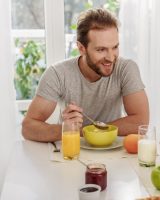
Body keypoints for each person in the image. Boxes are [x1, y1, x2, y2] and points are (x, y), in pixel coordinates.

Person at [22, 8, 149, 142]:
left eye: (115, 47)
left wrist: (88, 131)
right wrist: (66, 129)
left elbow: (140, 122)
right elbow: (28, 127)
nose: (111, 58)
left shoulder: (126, 68)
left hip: (114, 150)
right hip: (72, 150)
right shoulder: (57, 74)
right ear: (82, 48)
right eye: (101, 50)